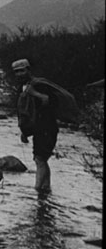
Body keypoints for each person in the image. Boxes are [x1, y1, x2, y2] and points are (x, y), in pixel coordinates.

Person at [12, 58, 79, 194]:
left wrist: (34, 93)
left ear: (28, 70)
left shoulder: (39, 85)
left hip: (47, 127)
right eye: (16, 72)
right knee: (41, 159)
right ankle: (45, 190)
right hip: (39, 128)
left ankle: (38, 190)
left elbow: (47, 102)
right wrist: (25, 131)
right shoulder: (24, 86)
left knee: (40, 159)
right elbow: (27, 112)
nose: (19, 74)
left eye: (22, 71)